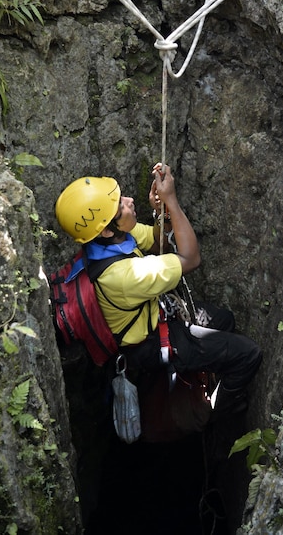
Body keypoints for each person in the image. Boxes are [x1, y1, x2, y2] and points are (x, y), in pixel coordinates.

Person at [54, 163, 262, 413]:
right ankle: (218, 415)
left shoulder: (112, 241)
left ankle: (205, 377)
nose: (130, 201)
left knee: (224, 319)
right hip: (148, 343)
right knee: (248, 354)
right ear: (108, 229)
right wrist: (171, 201)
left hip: (156, 317)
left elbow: (158, 242)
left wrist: (161, 212)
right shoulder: (122, 275)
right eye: (120, 205)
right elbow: (190, 259)